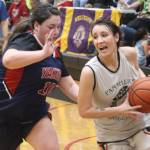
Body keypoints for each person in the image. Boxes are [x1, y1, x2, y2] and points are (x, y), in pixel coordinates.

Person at [0, 3, 78, 150]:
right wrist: (42, 54)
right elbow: (8, 60)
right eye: (51, 27)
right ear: (36, 26)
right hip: (5, 115)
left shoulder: (55, 54)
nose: (55, 31)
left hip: (34, 115)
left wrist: (95, 99)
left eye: (58, 27)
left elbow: (72, 87)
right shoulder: (25, 41)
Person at [78, 18, 150, 150]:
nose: (99, 40)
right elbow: (84, 111)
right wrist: (118, 110)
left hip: (140, 124)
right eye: (95, 37)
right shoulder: (89, 71)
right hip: (111, 134)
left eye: (104, 35)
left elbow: (141, 82)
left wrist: (147, 83)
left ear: (116, 37)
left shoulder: (130, 54)